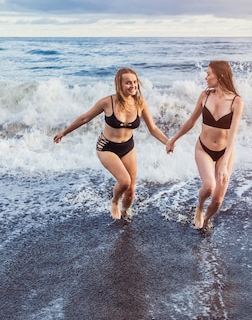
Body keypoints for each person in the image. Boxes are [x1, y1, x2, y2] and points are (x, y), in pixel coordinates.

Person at [54, 67, 169, 220]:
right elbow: (84, 118)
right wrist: (64, 132)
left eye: (135, 82)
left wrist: (168, 142)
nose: (133, 86)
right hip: (107, 147)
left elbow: (153, 128)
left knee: (130, 190)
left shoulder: (140, 102)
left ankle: (126, 214)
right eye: (128, 83)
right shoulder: (107, 102)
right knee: (125, 181)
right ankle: (114, 200)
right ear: (119, 85)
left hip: (128, 147)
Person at [166, 61, 244, 230]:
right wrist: (174, 139)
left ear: (220, 75)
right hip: (204, 148)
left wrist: (224, 164)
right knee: (209, 186)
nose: (206, 77)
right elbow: (190, 122)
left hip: (225, 152)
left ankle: (207, 221)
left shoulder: (236, 102)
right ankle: (199, 206)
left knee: (217, 200)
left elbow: (233, 135)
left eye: (209, 74)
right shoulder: (204, 96)